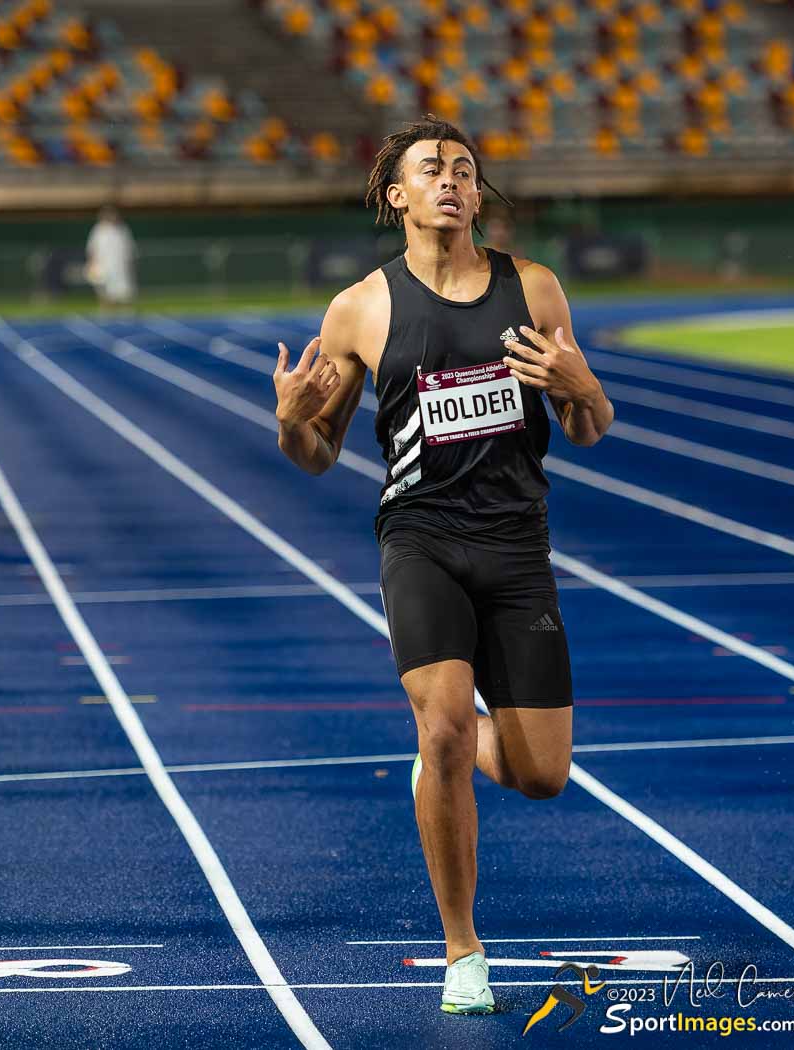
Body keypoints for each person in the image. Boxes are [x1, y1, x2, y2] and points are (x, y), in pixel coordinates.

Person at [271, 115, 614, 1014]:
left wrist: (587, 393)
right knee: (447, 732)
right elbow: (316, 453)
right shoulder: (361, 309)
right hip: (420, 540)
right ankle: (465, 951)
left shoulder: (533, 290)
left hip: (516, 547)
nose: (453, 181)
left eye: (465, 168)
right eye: (432, 169)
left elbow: (585, 424)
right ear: (398, 196)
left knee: (543, 775)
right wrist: (288, 418)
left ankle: (447, 752)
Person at [85, 205, 137, 314]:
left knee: (125, 296)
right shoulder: (98, 230)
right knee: (105, 297)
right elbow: (92, 249)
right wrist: (92, 265)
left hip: (120, 268)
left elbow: (129, 250)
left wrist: (130, 265)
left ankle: (127, 319)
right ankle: (105, 317)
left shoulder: (122, 230)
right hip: (104, 268)